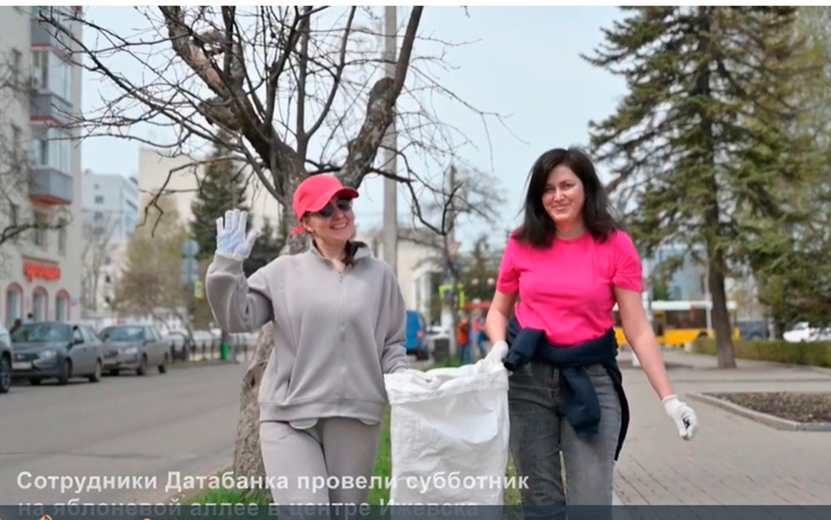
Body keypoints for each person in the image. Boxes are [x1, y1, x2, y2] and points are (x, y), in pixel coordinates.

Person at [484, 147, 698, 512]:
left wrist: (669, 398)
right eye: (548, 189)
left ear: (587, 188)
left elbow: (637, 328)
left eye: (567, 185)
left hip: (591, 381)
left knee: (591, 503)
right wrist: (499, 345)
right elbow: (498, 310)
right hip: (528, 382)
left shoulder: (616, 246)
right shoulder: (522, 243)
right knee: (540, 502)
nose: (558, 196)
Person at [205, 174, 427, 506]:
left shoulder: (380, 275)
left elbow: (392, 344)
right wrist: (227, 268)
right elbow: (238, 318)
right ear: (306, 222)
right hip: (288, 416)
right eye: (325, 210)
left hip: (356, 417)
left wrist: (401, 377)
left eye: (344, 204)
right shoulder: (281, 273)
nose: (339, 215)